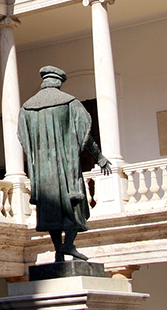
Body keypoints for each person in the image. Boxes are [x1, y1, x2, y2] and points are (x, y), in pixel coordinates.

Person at [18, 66, 111, 261]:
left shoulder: (26, 108)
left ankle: (59, 250)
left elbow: (23, 138)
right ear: (58, 82)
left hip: (43, 172)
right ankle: (68, 245)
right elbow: (85, 136)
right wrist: (100, 158)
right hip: (66, 168)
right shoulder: (70, 103)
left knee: (50, 211)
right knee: (75, 207)